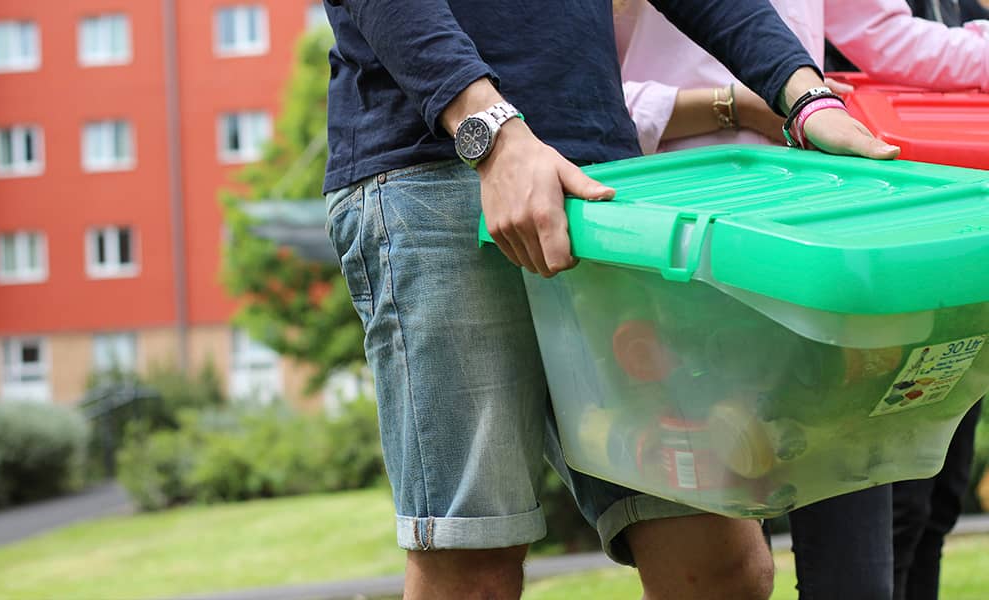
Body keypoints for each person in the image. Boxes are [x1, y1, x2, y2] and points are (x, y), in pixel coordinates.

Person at [321, 1, 898, 598]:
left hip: (603, 185)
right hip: (436, 170)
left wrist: (805, 96)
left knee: (722, 567)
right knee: (474, 567)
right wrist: (492, 134)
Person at [616, 1, 989, 599]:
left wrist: (809, 105)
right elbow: (576, 104)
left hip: (814, 243)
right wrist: (733, 106)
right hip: (682, 268)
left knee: (862, 573)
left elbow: (878, 31)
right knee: (727, 578)